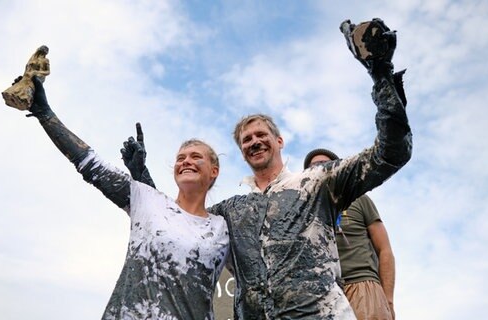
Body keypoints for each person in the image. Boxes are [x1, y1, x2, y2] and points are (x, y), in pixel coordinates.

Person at [124, 18, 411, 319]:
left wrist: (381, 76)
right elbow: (178, 224)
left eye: (261, 135)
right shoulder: (231, 211)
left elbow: (391, 153)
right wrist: (140, 175)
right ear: (242, 152)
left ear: (279, 141)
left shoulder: (317, 182)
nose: (254, 141)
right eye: (247, 139)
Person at [8, 76, 229, 320]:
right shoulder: (148, 200)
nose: (186, 161)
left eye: (196, 156)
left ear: (214, 171)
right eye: (180, 158)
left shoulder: (223, 228)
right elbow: (90, 163)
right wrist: (44, 113)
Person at [304, 149, 396, 320]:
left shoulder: (359, 199)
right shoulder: (303, 212)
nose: (320, 168)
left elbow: (384, 249)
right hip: (323, 295)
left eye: (326, 164)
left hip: (362, 287)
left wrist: (388, 300)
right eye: (314, 166)